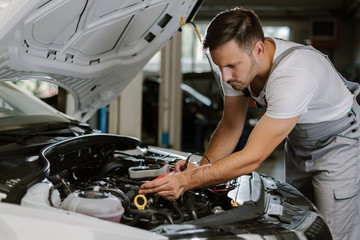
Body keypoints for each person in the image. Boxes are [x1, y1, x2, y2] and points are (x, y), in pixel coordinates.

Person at [139, 7, 360, 240]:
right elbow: (231, 125)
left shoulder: (295, 74)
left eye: (231, 66)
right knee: (301, 218)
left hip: (339, 142)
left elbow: (252, 157)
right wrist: (201, 167)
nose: (224, 77)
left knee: (333, 231)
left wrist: (185, 181)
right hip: (298, 141)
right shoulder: (235, 68)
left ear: (258, 49)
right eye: (219, 66)